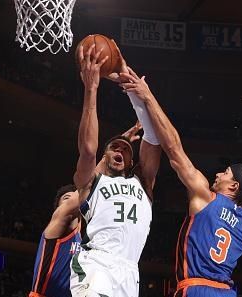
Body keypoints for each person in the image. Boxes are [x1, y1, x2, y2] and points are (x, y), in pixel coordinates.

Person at [119, 68, 242, 297]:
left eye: (225, 173)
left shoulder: (205, 196)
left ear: (234, 186)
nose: (218, 175)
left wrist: (147, 96)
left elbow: (173, 147)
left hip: (196, 289)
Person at [70, 44, 161, 297]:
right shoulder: (92, 181)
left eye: (125, 149)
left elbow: (153, 137)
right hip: (95, 264)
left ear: (132, 160)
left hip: (130, 271)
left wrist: (125, 75)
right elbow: (88, 149)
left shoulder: (143, 183)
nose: (120, 150)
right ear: (106, 155)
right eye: (114, 147)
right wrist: (91, 90)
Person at [29, 184, 81, 297]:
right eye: (67, 198)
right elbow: (85, 189)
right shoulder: (53, 230)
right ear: (58, 208)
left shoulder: (91, 236)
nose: (71, 201)